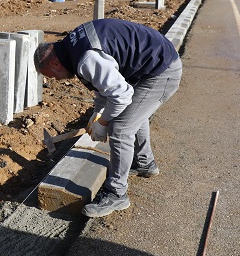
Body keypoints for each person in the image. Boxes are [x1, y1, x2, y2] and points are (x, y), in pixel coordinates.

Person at [33, 19, 183, 218]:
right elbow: (103, 87)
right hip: (151, 65)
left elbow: (121, 96)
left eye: (52, 76)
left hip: (161, 71)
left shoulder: (86, 59)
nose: (56, 80)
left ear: (54, 63)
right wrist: (97, 113)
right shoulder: (72, 46)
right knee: (135, 114)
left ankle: (116, 193)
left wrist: (103, 123)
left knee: (121, 128)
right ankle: (145, 163)